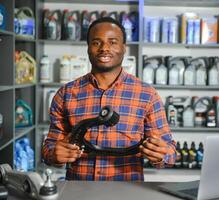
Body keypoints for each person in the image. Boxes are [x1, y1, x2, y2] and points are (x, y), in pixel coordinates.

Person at [42, 17, 176, 181]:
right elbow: (49, 149)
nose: (104, 48)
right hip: (79, 192)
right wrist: (54, 154)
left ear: (124, 47)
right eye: (97, 42)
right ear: (88, 48)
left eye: (113, 42)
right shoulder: (66, 93)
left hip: (128, 191)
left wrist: (161, 155)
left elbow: (170, 153)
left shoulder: (146, 94)